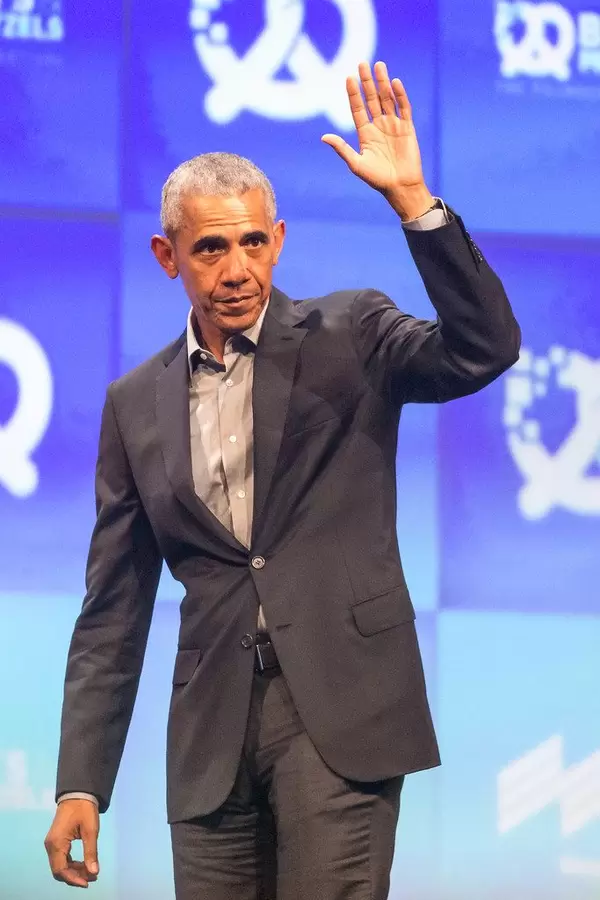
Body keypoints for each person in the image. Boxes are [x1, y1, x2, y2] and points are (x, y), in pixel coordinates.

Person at [44, 61, 520, 899]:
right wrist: (81, 781)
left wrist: (416, 204)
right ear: (168, 257)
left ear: (279, 240)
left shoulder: (352, 331)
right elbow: (113, 605)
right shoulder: (133, 405)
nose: (237, 269)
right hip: (211, 737)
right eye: (211, 248)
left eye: (253, 242)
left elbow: (484, 349)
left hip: (340, 712)